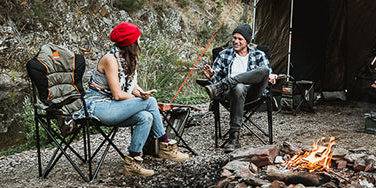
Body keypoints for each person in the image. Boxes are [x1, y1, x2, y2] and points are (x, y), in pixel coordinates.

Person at [75, 22, 190, 177]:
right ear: (131, 43)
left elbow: (131, 86)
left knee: (146, 116)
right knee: (150, 102)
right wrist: (142, 100)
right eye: (138, 39)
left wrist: (141, 93)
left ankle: (133, 162)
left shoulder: (126, 60)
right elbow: (117, 94)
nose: (140, 42)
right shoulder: (110, 59)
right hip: (97, 106)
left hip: (113, 106)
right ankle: (165, 144)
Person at [201, 24, 277, 152]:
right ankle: (234, 138)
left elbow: (267, 73)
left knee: (264, 70)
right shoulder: (224, 54)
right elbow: (215, 81)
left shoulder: (259, 54)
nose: (236, 41)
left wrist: (272, 76)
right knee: (238, 87)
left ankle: (228, 82)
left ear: (247, 41)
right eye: (234, 38)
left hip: (253, 93)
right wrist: (211, 77)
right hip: (231, 94)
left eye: (240, 39)